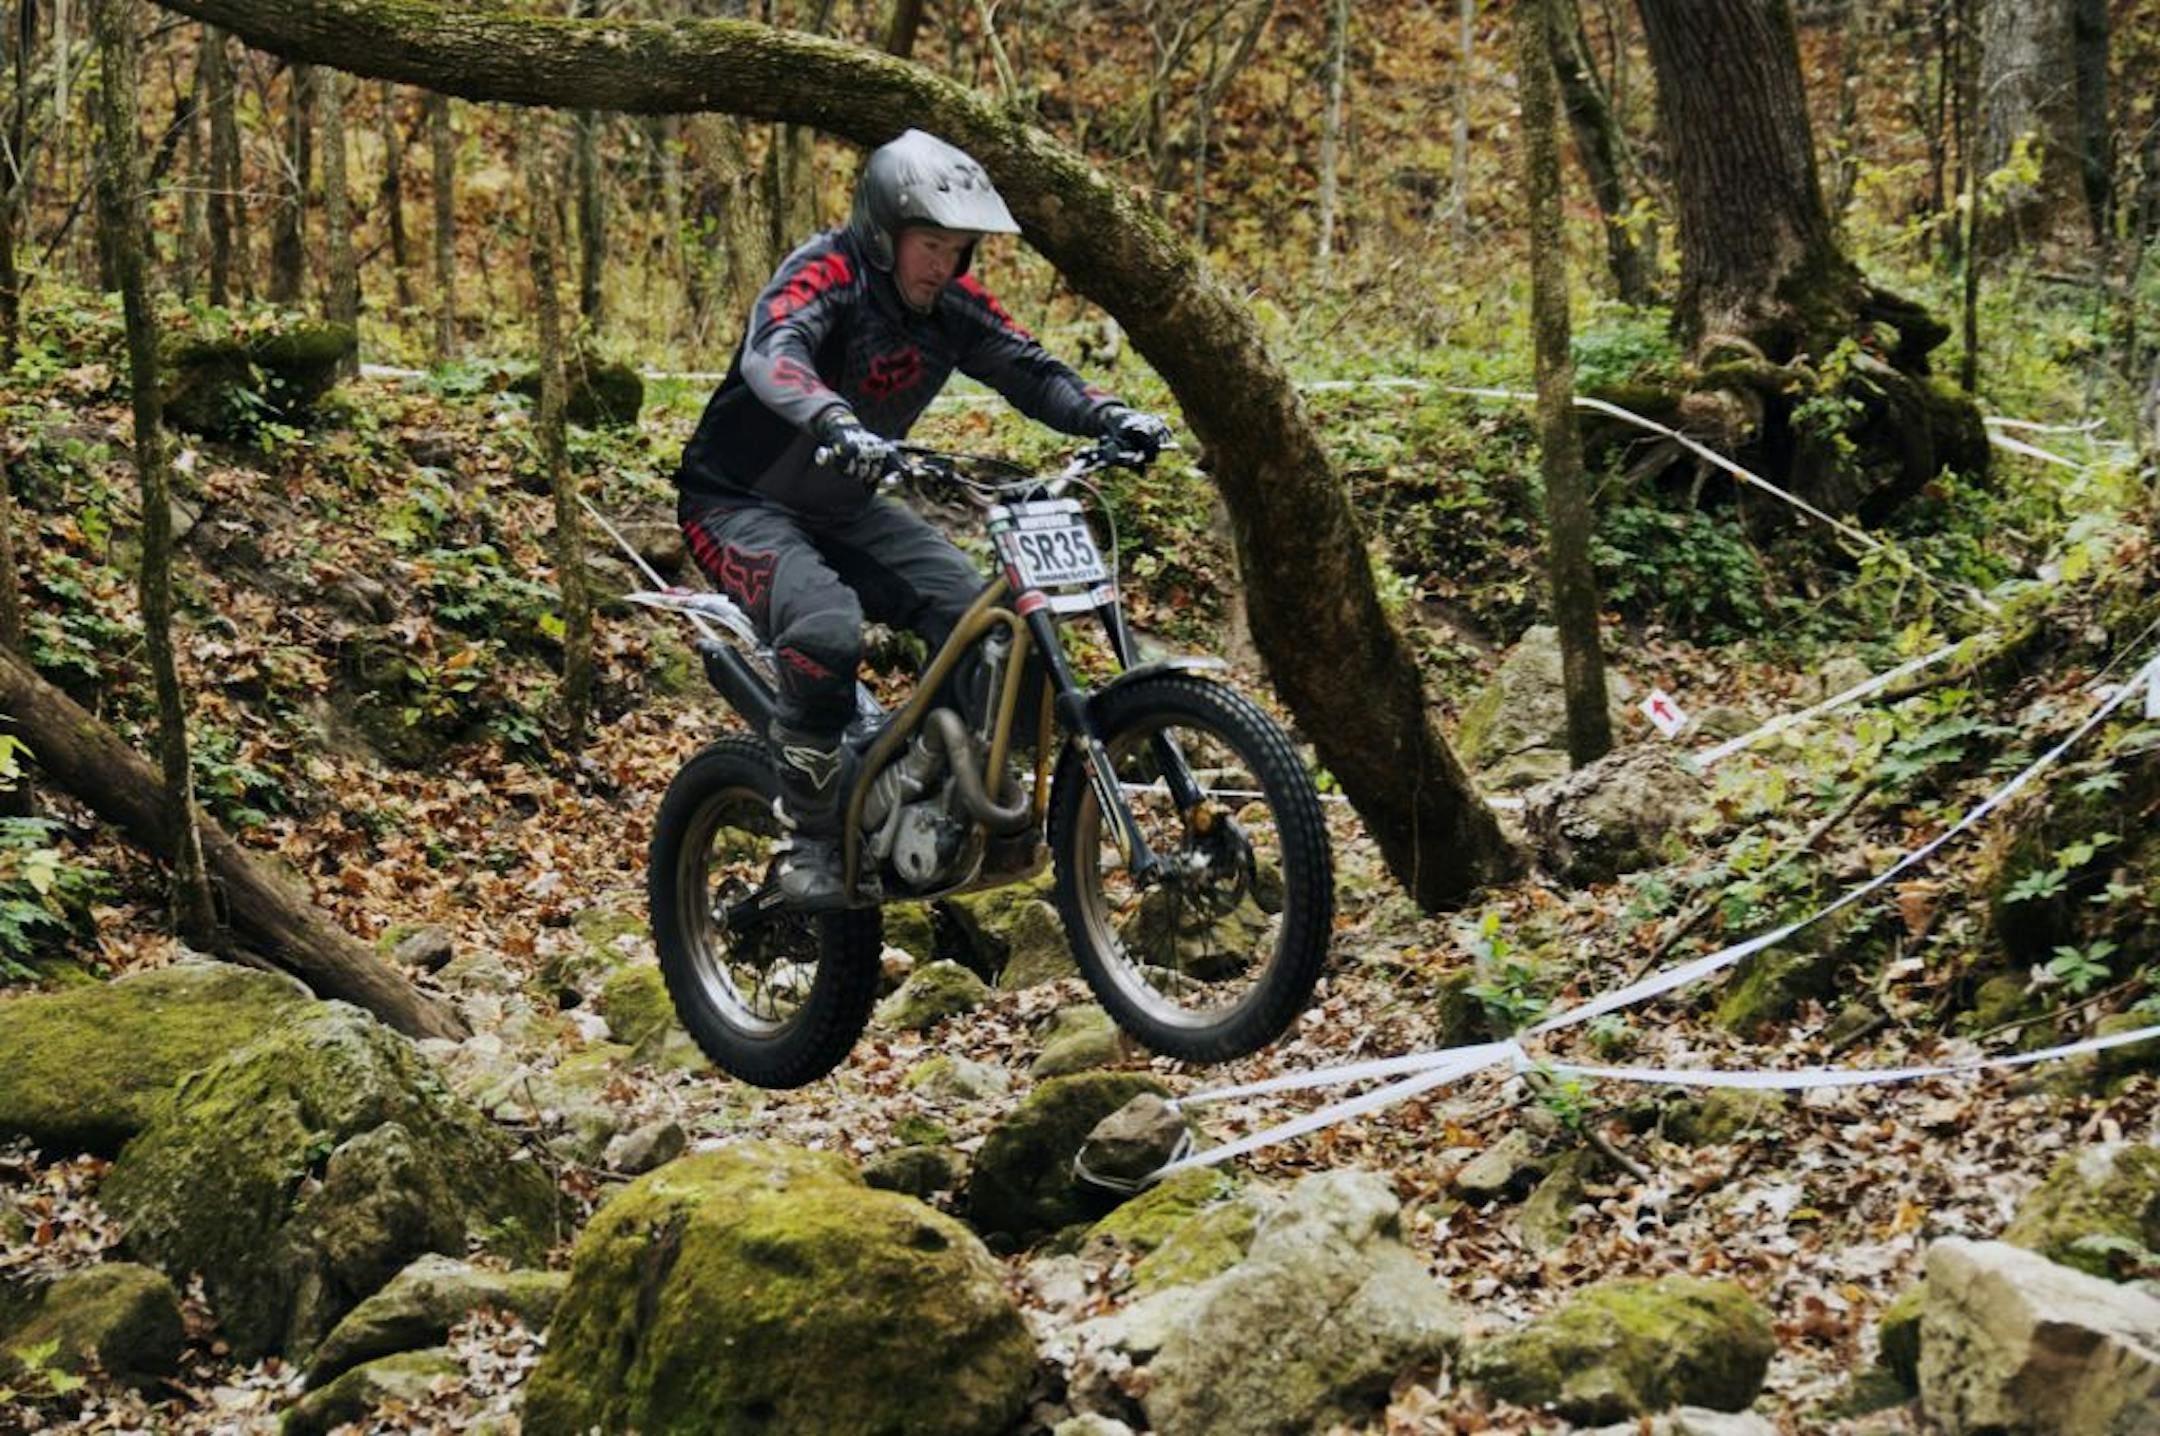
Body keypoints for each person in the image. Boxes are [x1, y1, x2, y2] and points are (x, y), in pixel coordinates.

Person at [674, 129, 1172, 910]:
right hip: (737, 501)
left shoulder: (951, 306)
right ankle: (811, 840)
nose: (942, 264)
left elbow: (1030, 369)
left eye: (958, 247)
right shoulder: (826, 272)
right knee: (825, 628)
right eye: (929, 244)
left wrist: (1112, 416)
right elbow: (775, 354)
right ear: (884, 232)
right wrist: (836, 422)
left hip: (844, 504)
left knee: (984, 617)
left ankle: (938, 792)